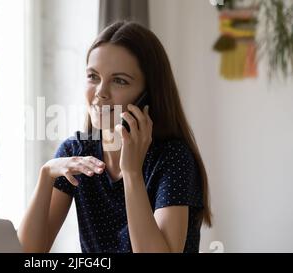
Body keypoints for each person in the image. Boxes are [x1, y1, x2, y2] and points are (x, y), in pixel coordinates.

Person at [18, 20, 212, 253]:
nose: (101, 92)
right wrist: (46, 174)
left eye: (119, 80)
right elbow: (29, 253)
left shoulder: (172, 158)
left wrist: (131, 173)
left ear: (148, 94)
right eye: (93, 77)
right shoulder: (76, 153)